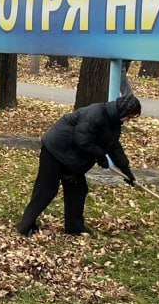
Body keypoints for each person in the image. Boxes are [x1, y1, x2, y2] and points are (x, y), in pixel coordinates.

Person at [17, 94, 142, 237]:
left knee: (78, 190)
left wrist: (126, 171)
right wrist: (99, 155)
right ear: (123, 111)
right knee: (46, 190)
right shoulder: (95, 114)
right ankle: (25, 226)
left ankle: (74, 228)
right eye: (129, 117)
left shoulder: (114, 123)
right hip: (55, 150)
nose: (128, 120)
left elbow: (114, 146)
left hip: (71, 157)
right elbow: (82, 140)